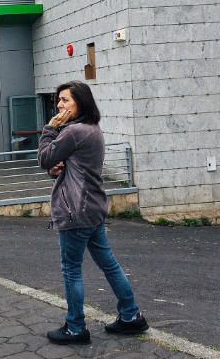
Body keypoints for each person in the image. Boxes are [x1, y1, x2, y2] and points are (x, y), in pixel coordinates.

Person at [38, 81, 148, 345]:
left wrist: (50, 127)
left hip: (75, 210)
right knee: (109, 264)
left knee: (71, 270)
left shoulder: (72, 131)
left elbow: (44, 157)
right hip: (93, 207)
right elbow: (68, 166)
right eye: (58, 100)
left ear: (81, 102)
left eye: (65, 100)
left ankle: (75, 327)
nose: (59, 105)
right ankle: (131, 316)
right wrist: (59, 170)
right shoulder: (92, 129)